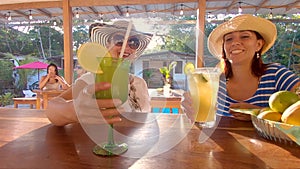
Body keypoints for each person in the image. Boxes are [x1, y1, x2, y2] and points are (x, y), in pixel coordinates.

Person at [182, 14, 300, 121]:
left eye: (244, 36)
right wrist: (190, 108)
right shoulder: (214, 81)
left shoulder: (276, 75)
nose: (235, 42)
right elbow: (204, 121)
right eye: (229, 39)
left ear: (258, 45)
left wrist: (257, 113)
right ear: (224, 48)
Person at [45, 20, 153, 126]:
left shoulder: (140, 83)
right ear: (107, 45)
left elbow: (145, 119)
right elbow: (52, 108)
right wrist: (71, 111)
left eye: (134, 42)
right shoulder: (91, 80)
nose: (126, 46)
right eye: (119, 40)